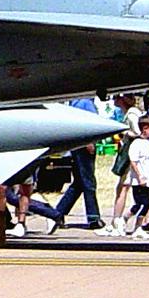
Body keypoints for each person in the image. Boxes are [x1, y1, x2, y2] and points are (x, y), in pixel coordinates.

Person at [49, 95, 104, 230]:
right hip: (84, 146)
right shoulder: (85, 102)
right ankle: (93, 218)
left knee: (79, 182)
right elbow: (88, 123)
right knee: (89, 182)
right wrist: (90, 142)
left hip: (77, 146)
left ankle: (58, 213)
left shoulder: (77, 101)